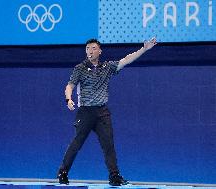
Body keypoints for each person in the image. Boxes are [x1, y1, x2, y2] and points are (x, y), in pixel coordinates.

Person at [57, 38, 157, 186]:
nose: (90, 51)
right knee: (76, 144)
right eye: (88, 49)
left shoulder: (107, 67)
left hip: (102, 112)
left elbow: (126, 60)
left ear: (99, 51)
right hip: (85, 112)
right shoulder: (80, 68)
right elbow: (69, 86)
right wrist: (68, 99)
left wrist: (144, 49)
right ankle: (63, 172)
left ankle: (114, 176)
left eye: (93, 48)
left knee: (108, 145)